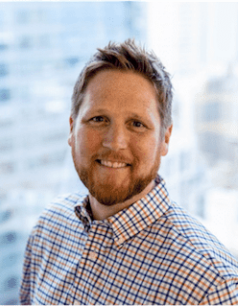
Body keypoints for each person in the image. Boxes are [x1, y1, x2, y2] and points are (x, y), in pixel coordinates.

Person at [20, 39, 238, 305]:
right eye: (98, 119)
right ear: (71, 128)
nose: (114, 142)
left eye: (137, 124)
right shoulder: (48, 228)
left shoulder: (213, 287)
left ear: (165, 139)